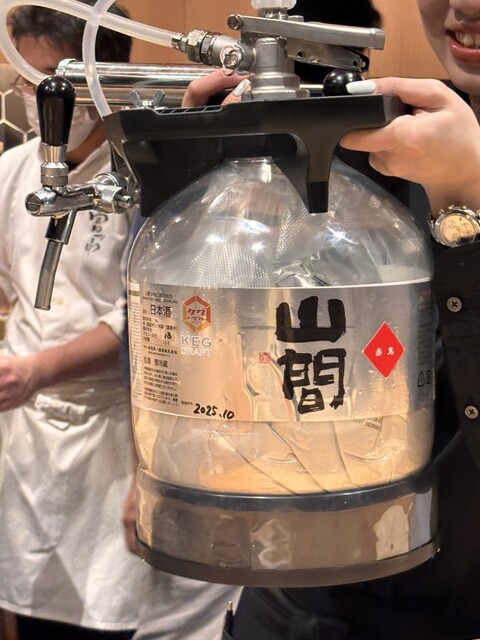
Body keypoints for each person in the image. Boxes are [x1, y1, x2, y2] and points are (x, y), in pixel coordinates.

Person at [182, 1, 480, 639]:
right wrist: (224, 184)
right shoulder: (386, 135)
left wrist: (468, 196)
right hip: (292, 592)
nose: (465, 6)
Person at [0, 3, 150, 639]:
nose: (37, 96)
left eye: (53, 80)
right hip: (25, 432)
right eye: (25, 79)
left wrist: (39, 369)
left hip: (114, 433)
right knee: (30, 612)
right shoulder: (12, 171)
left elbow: (144, 321)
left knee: (105, 618)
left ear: (101, 77)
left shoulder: (143, 176)